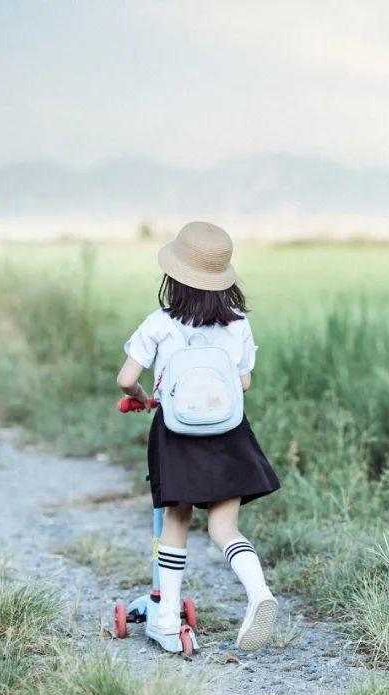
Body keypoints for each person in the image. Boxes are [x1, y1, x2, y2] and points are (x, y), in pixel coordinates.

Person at [116, 221, 281, 651]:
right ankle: (258, 592)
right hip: (229, 434)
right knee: (225, 527)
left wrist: (141, 396)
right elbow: (243, 384)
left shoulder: (158, 323)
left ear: (172, 277)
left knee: (177, 519)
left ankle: (167, 618)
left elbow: (126, 378)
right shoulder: (238, 324)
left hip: (177, 434)